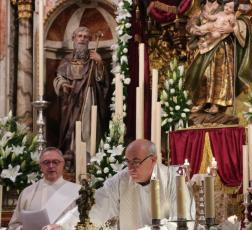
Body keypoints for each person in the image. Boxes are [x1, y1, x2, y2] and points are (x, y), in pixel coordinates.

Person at [47, 139, 195, 229]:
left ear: (153, 160)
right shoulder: (121, 180)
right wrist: (62, 226)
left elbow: (183, 224)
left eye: (136, 162)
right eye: (128, 162)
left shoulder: (174, 180)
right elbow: (95, 206)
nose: (131, 168)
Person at [185, 0, 252, 115]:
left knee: (219, 73)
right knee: (203, 74)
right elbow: (190, 24)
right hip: (203, 45)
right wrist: (195, 30)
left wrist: (232, 29)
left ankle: (215, 103)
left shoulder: (225, 7)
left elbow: (243, 18)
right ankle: (201, 101)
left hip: (221, 46)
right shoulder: (199, 9)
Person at [54, 26, 110, 154]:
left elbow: (102, 81)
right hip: (72, 99)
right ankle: (72, 153)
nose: (82, 39)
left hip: (89, 98)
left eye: (85, 37)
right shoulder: (67, 60)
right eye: (79, 36)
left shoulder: (94, 58)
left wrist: (100, 63)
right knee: (72, 128)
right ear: (74, 39)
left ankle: (90, 154)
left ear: (89, 40)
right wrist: (63, 85)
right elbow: (59, 77)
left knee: (89, 126)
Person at [8, 147, 80, 230]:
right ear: (40, 166)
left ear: (63, 164)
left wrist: (60, 227)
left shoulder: (78, 192)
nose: (51, 166)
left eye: (55, 162)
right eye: (46, 162)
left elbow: (86, 223)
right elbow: (13, 226)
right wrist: (21, 228)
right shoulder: (27, 193)